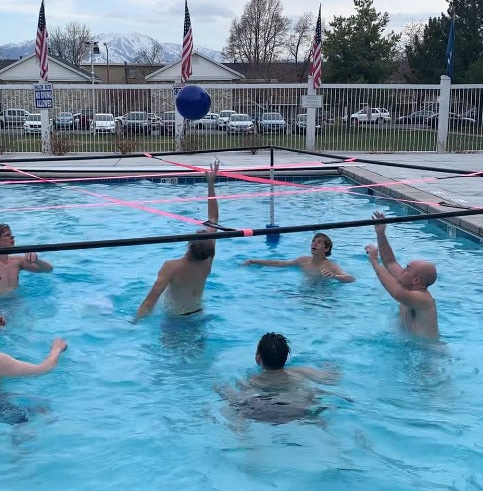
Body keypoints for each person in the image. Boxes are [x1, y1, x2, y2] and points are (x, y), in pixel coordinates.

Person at [136, 161, 221, 320]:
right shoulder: (207, 261)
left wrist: (133, 324)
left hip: (174, 321)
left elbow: (150, 301)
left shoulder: (171, 267)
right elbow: (213, 218)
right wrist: (211, 184)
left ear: (188, 245)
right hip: (198, 315)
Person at [218, 333, 339, 425]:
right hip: (301, 409)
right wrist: (330, 365)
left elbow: (240, 400)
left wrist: (223, 389)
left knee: (229, 400)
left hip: (269, 413)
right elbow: (331, 379)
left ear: (258, 358)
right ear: (286, 357)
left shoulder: (253, 380)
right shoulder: (301, 371)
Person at [0, 175, 53, 296]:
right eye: (7, 235)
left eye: (12, 235)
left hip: (17, 305)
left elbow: (48, 270)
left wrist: (38, 260)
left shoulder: (17, 261)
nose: (12, 238)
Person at [365, 210, 439, 338]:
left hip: (427, 353)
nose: (402, 270)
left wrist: (374, 262)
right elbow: (390, 261)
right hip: (409, 345)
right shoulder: (408, 281)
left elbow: (396, 292)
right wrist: (381, 233)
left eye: (407, 269)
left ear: (416, 280)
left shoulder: (423, 299)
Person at [242, 232, 355, 283]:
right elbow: (279, 263)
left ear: (326, 249)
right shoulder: (303, 261)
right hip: (304, 293)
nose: (314, 244)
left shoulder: (331, 266)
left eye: (319, 242)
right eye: (313, 241)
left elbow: (351, 279)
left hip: (322, 296)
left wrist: (334, 276)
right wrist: (254, 260)